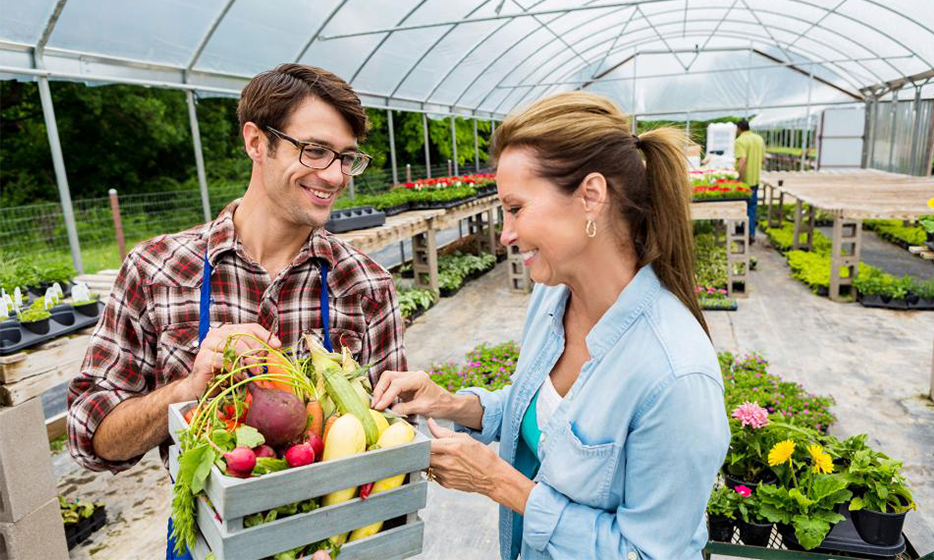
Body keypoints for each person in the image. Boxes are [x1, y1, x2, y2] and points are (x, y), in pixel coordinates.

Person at [66, 64, 407, 559]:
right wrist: (187, 391)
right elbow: (89, 436)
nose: (334, 176)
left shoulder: (365, 285)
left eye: (346, 158)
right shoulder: (157, 271)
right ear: (255, 142)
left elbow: (391, 449)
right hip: (208, 542)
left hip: (334, 542)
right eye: (313, 150)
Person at [372, 92, 730, 559]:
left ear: (591, 197)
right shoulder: (552, 297)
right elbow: (543, 415)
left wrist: (498, 482)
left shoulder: (676, 377)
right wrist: (451, 403)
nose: (505, 233)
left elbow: (645, 554)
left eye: (516, 208)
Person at [734, 119, 765, 243]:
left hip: (745, 181)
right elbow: (762, 159)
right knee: (752, 207)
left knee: (742, 207)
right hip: (755, 178)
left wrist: (738, 178)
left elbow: (742, 160)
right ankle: (750, 232)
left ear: (739, 128)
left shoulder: (740, 141)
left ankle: (745, 233)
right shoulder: (759, 139)